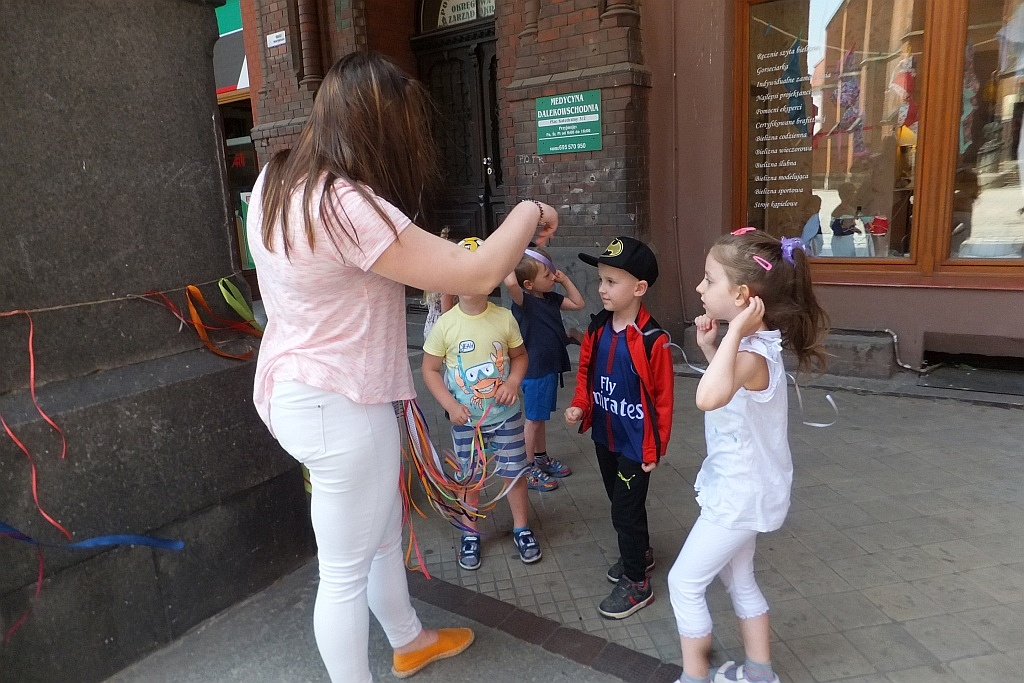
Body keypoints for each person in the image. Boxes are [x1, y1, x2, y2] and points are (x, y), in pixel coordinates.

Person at [245, 51, 559, 683]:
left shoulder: (274, 184)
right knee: (342, 571)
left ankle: (409, 639)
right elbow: (475, 271)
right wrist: (527, 212)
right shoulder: (346, 203)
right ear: (379, 125)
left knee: (383, 529)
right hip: (341, 404)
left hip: (299, 388)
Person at [667, 229, 829, 683]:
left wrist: (733, 332)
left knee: (684, 584)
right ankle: (759, 673)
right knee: (738, 581)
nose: (700, 288)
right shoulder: (758, 348)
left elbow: (708, 397)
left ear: (741, 295)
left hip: (738, 496)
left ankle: (694, 677)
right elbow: (727, 383)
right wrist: (711, 347)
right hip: (746, 487)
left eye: (708, 279)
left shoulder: (752, 353)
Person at [564, 237, 674, 619]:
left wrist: (654, 450)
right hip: (606, 434)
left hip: (635, 443)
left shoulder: (652, 341)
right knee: (620, 502)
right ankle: (640, 554)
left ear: (639, 288)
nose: (601, 288)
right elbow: (586, 372)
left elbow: (662, 401)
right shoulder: (597, 328)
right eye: (601, 279)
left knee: (624, 512)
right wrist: (580, 404)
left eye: (612, 281)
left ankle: (637, 584)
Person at [422, 237, 542, 570]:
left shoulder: (504, 318)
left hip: (506, 417)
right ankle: (469, 532)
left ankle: (521, 527)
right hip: (466, 423)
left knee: (515, 474)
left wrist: (514, 381)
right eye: (462, 272)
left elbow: (520, 357)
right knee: (469, 479)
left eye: (480, 272)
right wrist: (450, 404)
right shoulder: (445, 326)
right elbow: (430, 369)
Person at [503, 240, 586, 491]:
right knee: (534, 420)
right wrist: (508, 252)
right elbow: (509, 282)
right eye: (547, 274)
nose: (552, 276)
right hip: (535, 370)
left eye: (552, 271)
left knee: (540, 419)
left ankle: (540, 458)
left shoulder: (550, 298)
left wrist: (564, 280)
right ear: (528, 284)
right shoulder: (524, 302)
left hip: (549, 368)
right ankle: (527, 469)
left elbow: (579, 303)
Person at [827, 182, 863, 257]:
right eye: (853, 193)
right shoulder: (844, 210)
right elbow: (846, 226)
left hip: (843, 240)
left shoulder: (847, 209)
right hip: (843, 241)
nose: (854, 195)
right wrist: (857, 230)